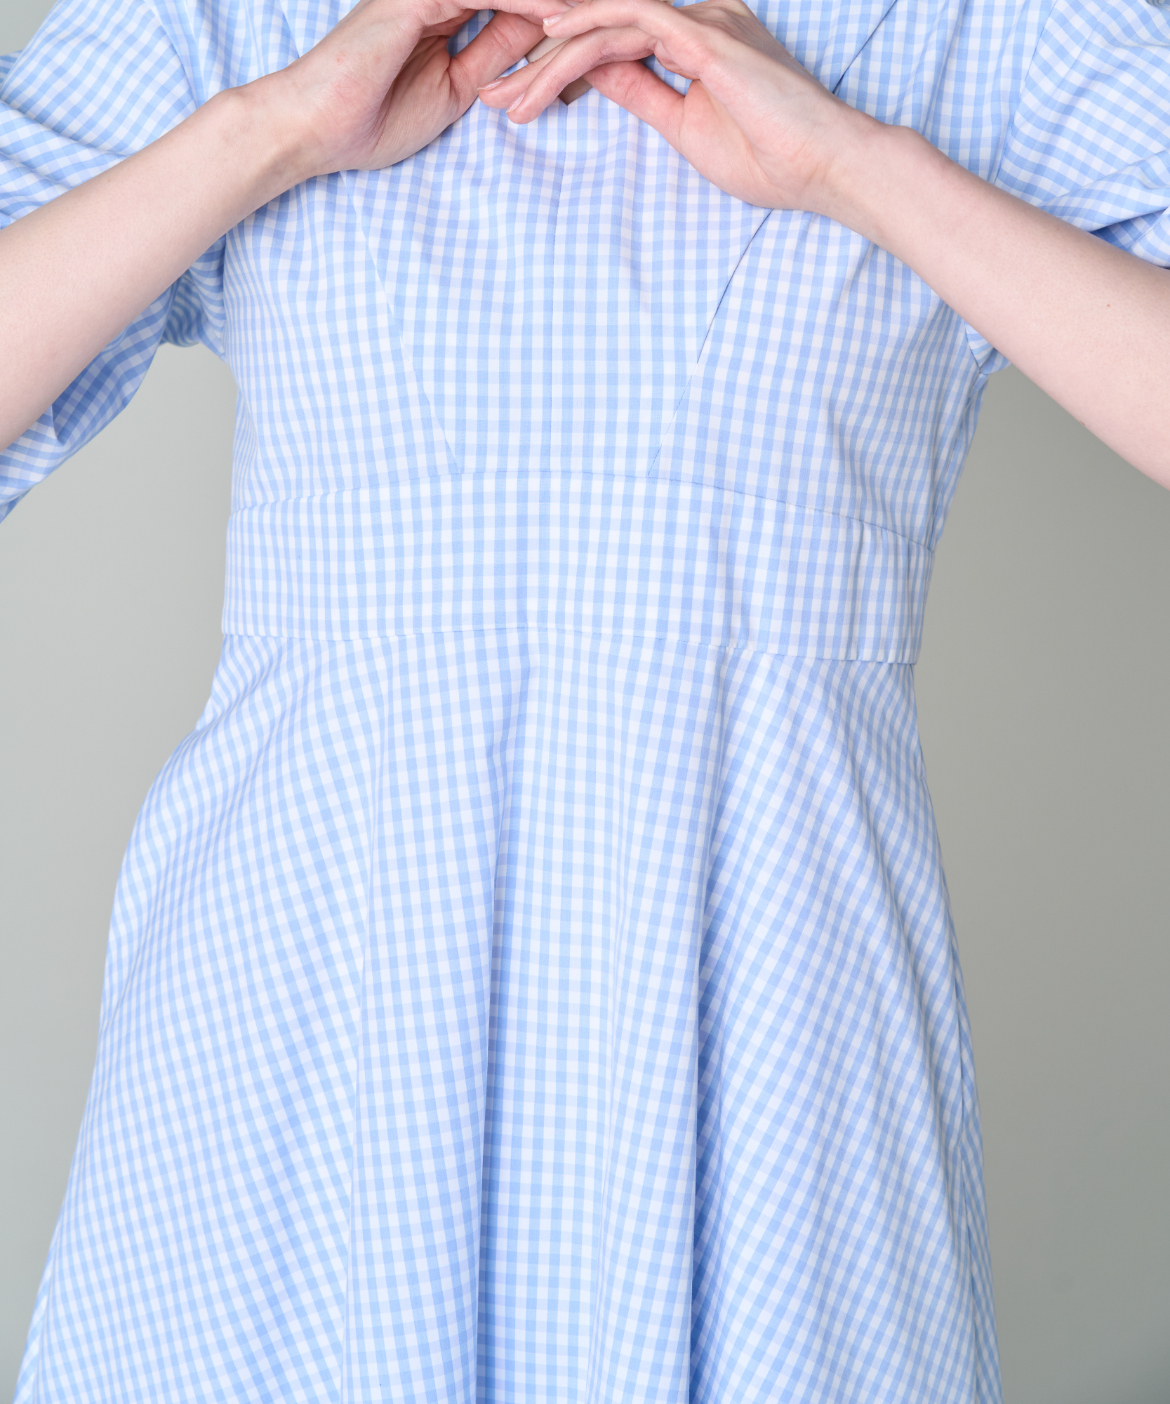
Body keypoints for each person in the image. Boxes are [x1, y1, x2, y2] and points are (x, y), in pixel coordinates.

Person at [1, 0, 1167, 1399]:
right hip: (295, 1069)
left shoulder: (983, 27)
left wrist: (857, 168)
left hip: (771, 1072)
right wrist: (270, 133)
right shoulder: (231, 17)